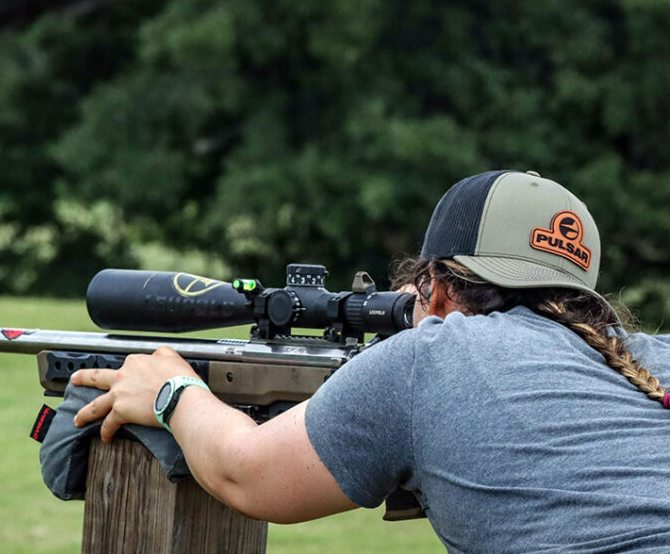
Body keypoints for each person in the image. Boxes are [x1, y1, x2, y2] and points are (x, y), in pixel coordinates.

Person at [70, 170, 670, 552]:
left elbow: (244, 473)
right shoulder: (656, 360)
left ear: (433, 283)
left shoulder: (431, 357)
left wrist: (172, 390)